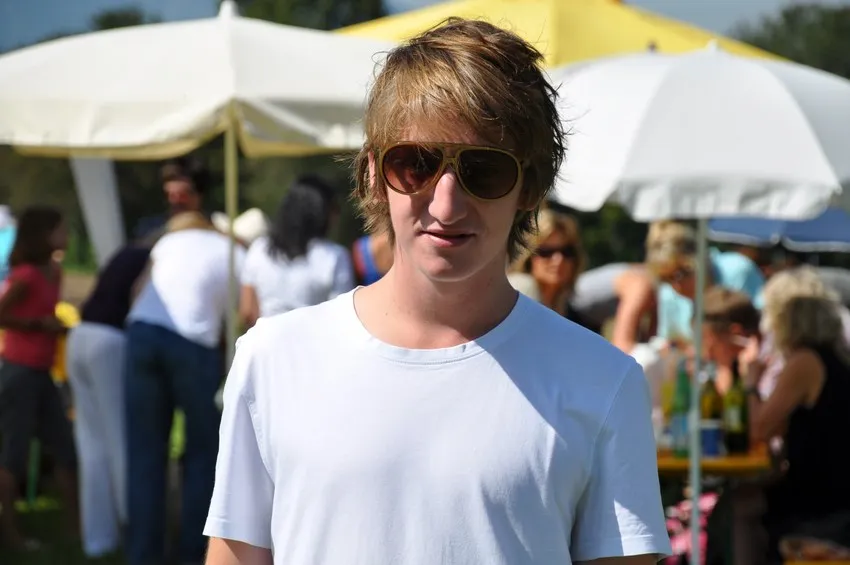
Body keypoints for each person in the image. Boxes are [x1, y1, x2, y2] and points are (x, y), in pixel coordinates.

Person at [204, 18, 670, 565]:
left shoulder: (603, 382)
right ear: (373, 172)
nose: (446, 204)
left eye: (484, 170)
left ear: (530, 187)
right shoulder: (273, 359)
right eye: (416, 164)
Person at [125, 211, 245, 565]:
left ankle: (143, 554)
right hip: (194, 343)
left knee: (145, 455)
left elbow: (137, 291)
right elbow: (242, 313)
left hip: (142, 333)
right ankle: (193, 554)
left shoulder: (169, 240)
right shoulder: (235, 252)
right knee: (202, 455)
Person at [740, 271, 850, 564]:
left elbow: (758, 430)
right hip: (832, 492)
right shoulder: (832, 355)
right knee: (745, 502)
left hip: (820, 504)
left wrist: (750, 381)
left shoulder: (805, 362)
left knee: (739, 507)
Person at [66, 236, 155, 558]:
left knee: (90, 443)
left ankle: (98, 539)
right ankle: (133, 529)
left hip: (80, 336)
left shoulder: (125, 254)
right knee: (119, 440)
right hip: (109, 340)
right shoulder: (152, 259)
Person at [0, 206, 77, 551]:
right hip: (19, 372)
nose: (66, 235)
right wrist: (36, 325)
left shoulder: (54, 273)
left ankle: (76, 531)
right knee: (13, 454)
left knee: (64, 449)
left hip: (42, 371)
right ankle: (12, 535)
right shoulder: (27, 276)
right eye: (61, 229)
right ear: (44, 236)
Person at [239, 175, 354, 328]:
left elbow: (247, 311)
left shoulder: (260, 248)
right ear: (323, 211)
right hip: (313, 339)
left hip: (267, 338)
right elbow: (342, 317)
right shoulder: (335, 256)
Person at [646, 220, 765, 344]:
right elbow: (668, 342)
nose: (676, 286)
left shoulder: (738, 270)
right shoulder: (668, 293)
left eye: (680, 274)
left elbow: (763, 328)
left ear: (699, 260)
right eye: (666, 278)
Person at [509, 207, 598, 332]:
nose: (558, 260)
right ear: (528, 258)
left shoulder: (579, 318)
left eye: (567, 251)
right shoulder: (517, 292)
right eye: (546, 252)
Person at [572, 262, 657, 354]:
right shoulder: (641, 286)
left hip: (590, 319)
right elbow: (622, 346)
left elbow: (653, 338)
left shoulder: (651, 284)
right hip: (570, 308)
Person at [134, 157, 211, 240]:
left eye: (181, 195)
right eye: (169, 195)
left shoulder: (216, 228)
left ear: (199, 196)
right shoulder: (149, 230)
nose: (174, 201)